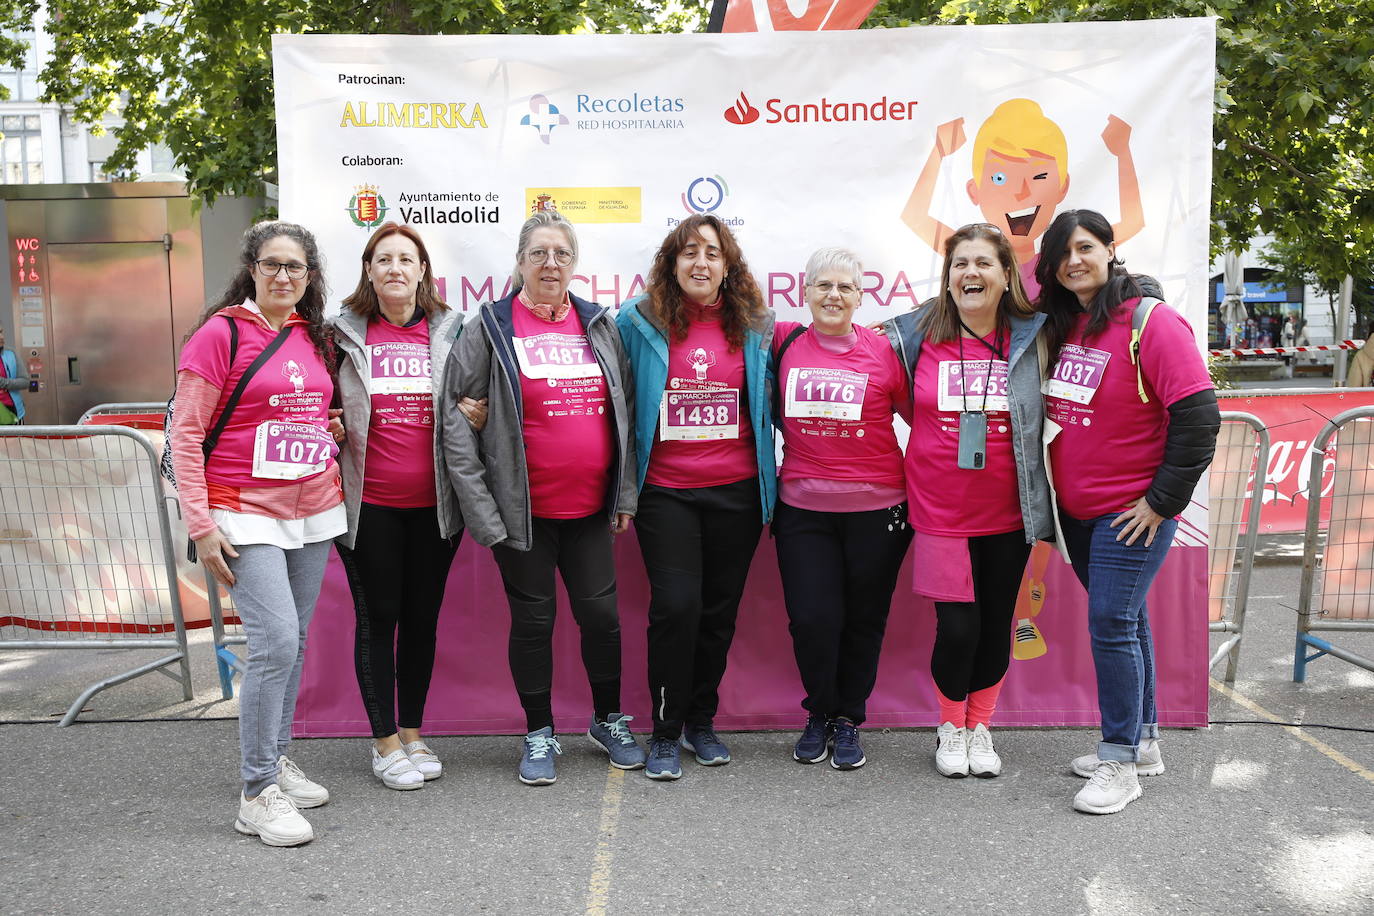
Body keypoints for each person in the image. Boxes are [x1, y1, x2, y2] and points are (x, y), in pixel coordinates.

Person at [441, 210, 642, 786]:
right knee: (534, 623)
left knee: (601, 619)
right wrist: (484, 516)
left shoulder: (598, 324)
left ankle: (608, 721)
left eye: (561, 254)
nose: (550, 263)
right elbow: (458, 422)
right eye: (539, 253)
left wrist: (623, 494)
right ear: (521, 263)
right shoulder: (490, 326)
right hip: (521, 516)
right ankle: (538, 731)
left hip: (590, 511)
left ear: (574, 264)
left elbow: (623, 411)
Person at [1036, 209, 1219, 814]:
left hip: (1129, 514)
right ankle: (1143, 743)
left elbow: (1198, 416)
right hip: (1080, 514)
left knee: (1111, 624)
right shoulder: (1070, 326)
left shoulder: (1150, 321)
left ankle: (1118, 762)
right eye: (1062, 253)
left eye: (1085, 248)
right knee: (1128, 620)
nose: (1074, 262)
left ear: (1112, 250)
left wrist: (1160, 501)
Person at [170, 221, 342, 846]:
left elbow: (311, 412)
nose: (283, 277)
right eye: (272, 265)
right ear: (251, 269)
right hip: (242, 507)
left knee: (293, 643)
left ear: (310, 277)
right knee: (274, 641)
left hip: (313, 507)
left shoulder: (311, 337)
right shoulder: (220, 334)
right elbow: (185, 434)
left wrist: (332, 430)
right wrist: (201, 524)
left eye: (295, 268)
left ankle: (277, 756)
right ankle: (255, 791)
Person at [882, 223, 1053, 780]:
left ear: (1007, 275)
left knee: (996, 623)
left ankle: (982, 727)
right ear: (948, 276)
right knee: (957, 627)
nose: (971, 273)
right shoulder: (911, 335)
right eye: (960, 263)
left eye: (984, 263)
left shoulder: (1034, 336)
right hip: (939, 512)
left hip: (1011, 511)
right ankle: (950, 726)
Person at [616, 213, 776, 781]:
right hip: (667, 492)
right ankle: (664, 729)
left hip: (737, 491)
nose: (701, 262)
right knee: (676, 607)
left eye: (712, 252)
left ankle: (699, 723)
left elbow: (774, 403)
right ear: (671, 263)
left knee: (717, 613)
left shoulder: (757, 323)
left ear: (727, 265)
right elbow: (616, 400)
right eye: (688, 253)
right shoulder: (638, 321)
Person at [331, 222, 485, 790]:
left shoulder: (452, 331)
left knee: (422, 622)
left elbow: (482, 389)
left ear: (423, 273)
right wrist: (326, 424)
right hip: (368, 508)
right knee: (379, 620)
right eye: (384, 259)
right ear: (369, 272)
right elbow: (311, 403)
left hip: (437, 510)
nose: (396, 268)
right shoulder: (339, 336)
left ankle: (414, 732)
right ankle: (384, 741)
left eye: (407, 259)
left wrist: (482, 410)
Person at [772, 248, 913, 770]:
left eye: (845, 288)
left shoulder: (882, 352)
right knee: (812, 618)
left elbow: (923, 422)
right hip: (803, 509)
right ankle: (819, 712)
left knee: (864, 619)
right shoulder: (784, 343)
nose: (833, 295)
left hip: (880, 510)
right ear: (804, 292)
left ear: (860, 296)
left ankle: (849, 718)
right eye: (823, 286)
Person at [901, 99, 1142, 298]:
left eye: (1038, 176)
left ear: (1062, 186)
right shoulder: (974, 258)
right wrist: (938, 152)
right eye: (1000, 178)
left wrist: (1123, 152)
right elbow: (915, 217)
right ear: (974, 191)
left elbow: (1132, 221)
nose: (1021, 192)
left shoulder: (1059, 264)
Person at [0, 324, 29, 424]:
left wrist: (3, 382)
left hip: (14, 413)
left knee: (17, 440)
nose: (2, 337)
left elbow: (25, 382)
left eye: (1, 332)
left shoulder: (11, 353)